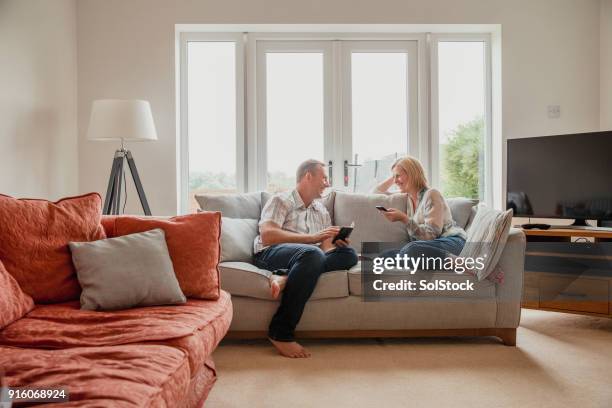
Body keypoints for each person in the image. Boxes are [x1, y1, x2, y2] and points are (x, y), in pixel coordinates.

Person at [254, 159, 358, 358]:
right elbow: (268, 235)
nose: (327, 183)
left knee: (349, 255)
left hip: (309, 259)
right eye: (324, 178)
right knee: (312, 253)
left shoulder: (321, 210)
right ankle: (280, 333)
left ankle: (285, 276)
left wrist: (336, 246)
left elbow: (325, 248)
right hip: (270, 252)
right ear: (308, 176)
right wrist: (311, 239)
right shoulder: (281, 200)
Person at [373, 156, 467, 261]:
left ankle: (454, 261)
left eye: (398, 176)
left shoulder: (431, 194)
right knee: (383, 254)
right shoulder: (407, 196)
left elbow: (431, 236)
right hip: (425, 247)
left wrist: (405, 219)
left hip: (450, 241)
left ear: (412, 174)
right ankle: (438, 260)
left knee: (412, 249)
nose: (395, 181)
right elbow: (376, 193)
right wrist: (396, 174)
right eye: (394, 177)